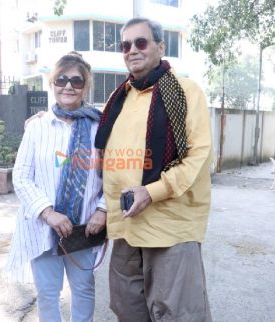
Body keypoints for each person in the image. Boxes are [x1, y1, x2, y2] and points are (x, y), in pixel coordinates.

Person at [95, 18, 213, 322]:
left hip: (169, 227)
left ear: (160, 46)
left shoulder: (186, 92)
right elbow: (97, 142)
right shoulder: (117, 98)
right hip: (125, 226)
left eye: (141, 42)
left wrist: (151, 191)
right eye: (125, 45)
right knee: (128, 310)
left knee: (177, 313)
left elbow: (198, 157)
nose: (132, 50)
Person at [6, 51, 107, 322]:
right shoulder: (37, 128)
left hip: (85, 228)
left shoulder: (101, 129)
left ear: (86, 86)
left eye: (77, 80)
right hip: (43, 228)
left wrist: (103, 210)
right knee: (48, 294)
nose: (68, 86)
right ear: (52, 83)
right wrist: (48, 213)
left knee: (84, 290)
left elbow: (113, 176)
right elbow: (22, 177)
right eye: (62, 79)